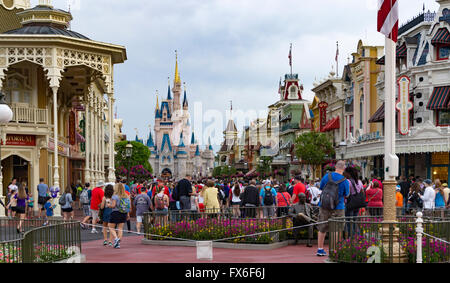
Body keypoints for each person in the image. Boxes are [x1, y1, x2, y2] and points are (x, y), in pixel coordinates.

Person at [316, 160, 350, 257]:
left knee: (322, 227)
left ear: (335, 167)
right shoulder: (344, 180)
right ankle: (334, 250)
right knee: (337, 228)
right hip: (338, 206)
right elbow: (347, 194)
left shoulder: (327, 176)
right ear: (344, 169)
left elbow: (321, 188)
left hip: (324, 205)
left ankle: (320, 249)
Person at [108, 183, 130, 249]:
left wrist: (109, 205)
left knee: (111, 227)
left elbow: (113, 205)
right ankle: (118, 243)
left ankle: (116, 238)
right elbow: (128, 206)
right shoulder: (126, 195)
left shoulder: (115, 196)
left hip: (116, 212)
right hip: (123, 212)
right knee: (120, 228)